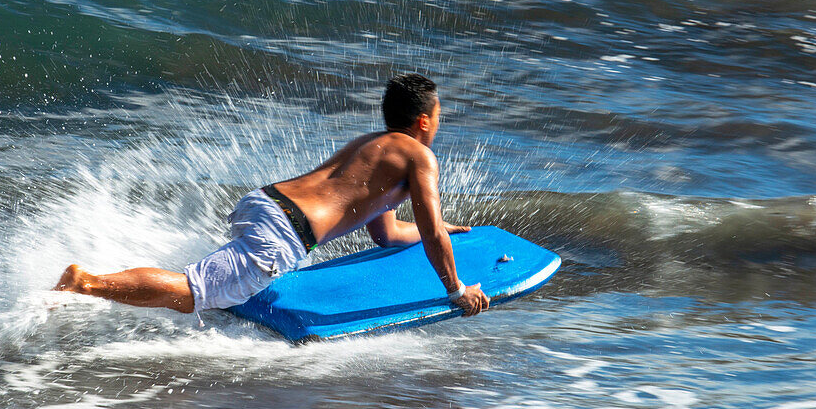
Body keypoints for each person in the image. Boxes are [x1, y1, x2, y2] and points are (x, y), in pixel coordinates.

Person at [55, 74, 491, 317]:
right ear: (421, 121)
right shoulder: (419, 156)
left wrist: (443, 230)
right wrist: (456, 290)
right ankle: (86, 283)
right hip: (286, 231)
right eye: (438, 117)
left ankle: (224, 295)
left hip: (265, 203)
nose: (438, 124)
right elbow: (432, 234)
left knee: (224, 291)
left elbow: (388, 234)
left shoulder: (371, 146)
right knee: (193, 292)